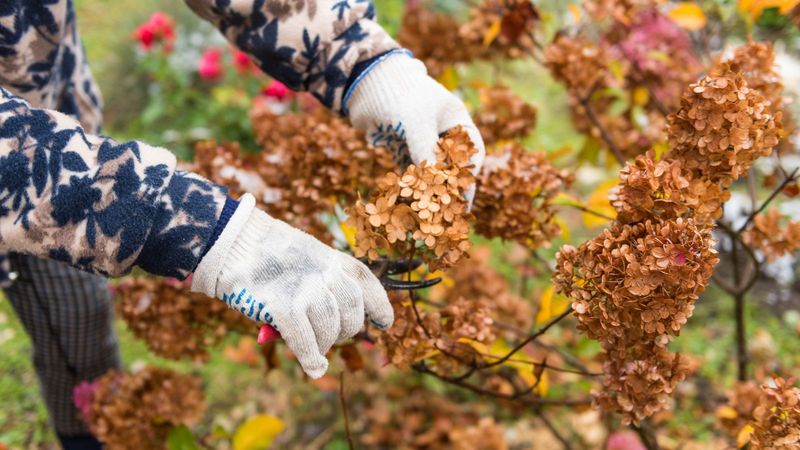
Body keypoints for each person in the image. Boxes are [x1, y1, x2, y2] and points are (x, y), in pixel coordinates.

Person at [0, 1, 485, 448]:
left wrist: (357, 57)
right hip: (34, 170)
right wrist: (188, 225)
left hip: (47, 104)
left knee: (78, 332)